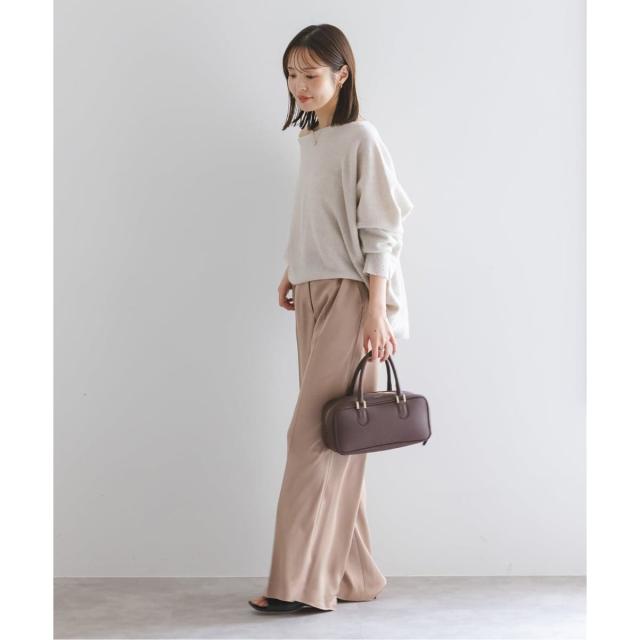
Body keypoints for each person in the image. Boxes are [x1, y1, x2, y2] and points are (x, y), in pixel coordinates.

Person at [249, 23, 413, 613]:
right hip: (312, 291)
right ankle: (356, 576)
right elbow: (315, 216)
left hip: (350, 295)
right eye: (291, 74)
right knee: (337, 435)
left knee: (310, 436)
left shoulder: (360, 137)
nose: (299, 84)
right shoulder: (312, 139)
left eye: (311, 73)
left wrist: (375, 309)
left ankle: (298, 586)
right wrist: (292, 269)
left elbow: (382, 229)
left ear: (341, 74)